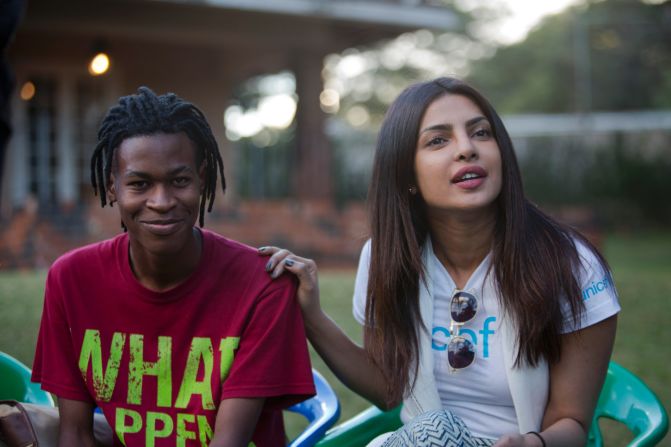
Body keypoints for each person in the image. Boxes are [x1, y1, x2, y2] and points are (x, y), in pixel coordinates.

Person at [260, 77, 619, 447]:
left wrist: (530, 444)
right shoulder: (386, 257)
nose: (467, 149)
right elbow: (389, 387)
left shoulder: (570, 263)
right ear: (407, 175)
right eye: (438, 140)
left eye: (480, 133)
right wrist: (312, 316)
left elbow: (572, 422)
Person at [31, 87, 315, 447]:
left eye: (179, 181)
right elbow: (75, 434)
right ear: (112, 187)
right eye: (140, 183)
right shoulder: (72, 280)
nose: (161, 202)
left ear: (201, 179)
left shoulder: (261, 284)